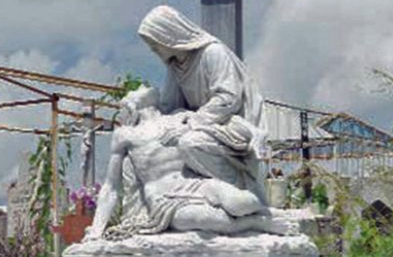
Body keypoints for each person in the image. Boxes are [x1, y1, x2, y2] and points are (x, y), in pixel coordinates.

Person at [84, 86, 297, 240]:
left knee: (239, 202)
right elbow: (111, 187)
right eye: (134, 90)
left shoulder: (179, 118)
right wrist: (96, 229)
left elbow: (224, 120)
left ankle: (268, 212)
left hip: (196, 183)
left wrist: (254, 133)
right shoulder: (126, 134)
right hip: (165, 199)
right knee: (210, 220)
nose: (141, 85)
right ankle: (256, 223)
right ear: (129, 105)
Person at [137, 5, 269, 199]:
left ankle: (242, 192)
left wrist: (191, 123)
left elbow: (228, 99)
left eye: (155, 43)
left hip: (230, 126)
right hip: (204, 126)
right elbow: (169, 107)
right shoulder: (175, 66)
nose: (153, 49)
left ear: (168, 35)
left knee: (191, 143)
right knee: (158, 144)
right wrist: (145, 114)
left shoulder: (213, 53)